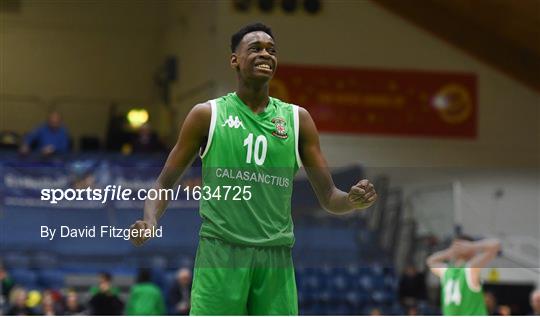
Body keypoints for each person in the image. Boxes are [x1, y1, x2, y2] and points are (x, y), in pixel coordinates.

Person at [130, 22, 377, 315]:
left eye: (272, 50)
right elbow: (162, 185)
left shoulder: (298, 120)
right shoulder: (207, 115)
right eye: (256, 49)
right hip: (221, 252)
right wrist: (150, 220)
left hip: (275, 258)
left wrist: (351, 200)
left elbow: (329, 196)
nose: (266, 54)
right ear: (235, 59)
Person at [426, 236, 501, 315]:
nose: (456, 248)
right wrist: (473, 246)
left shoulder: (448, 271)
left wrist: (448, 252)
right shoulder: (467, 270)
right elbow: (496, 244)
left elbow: (431, 260)